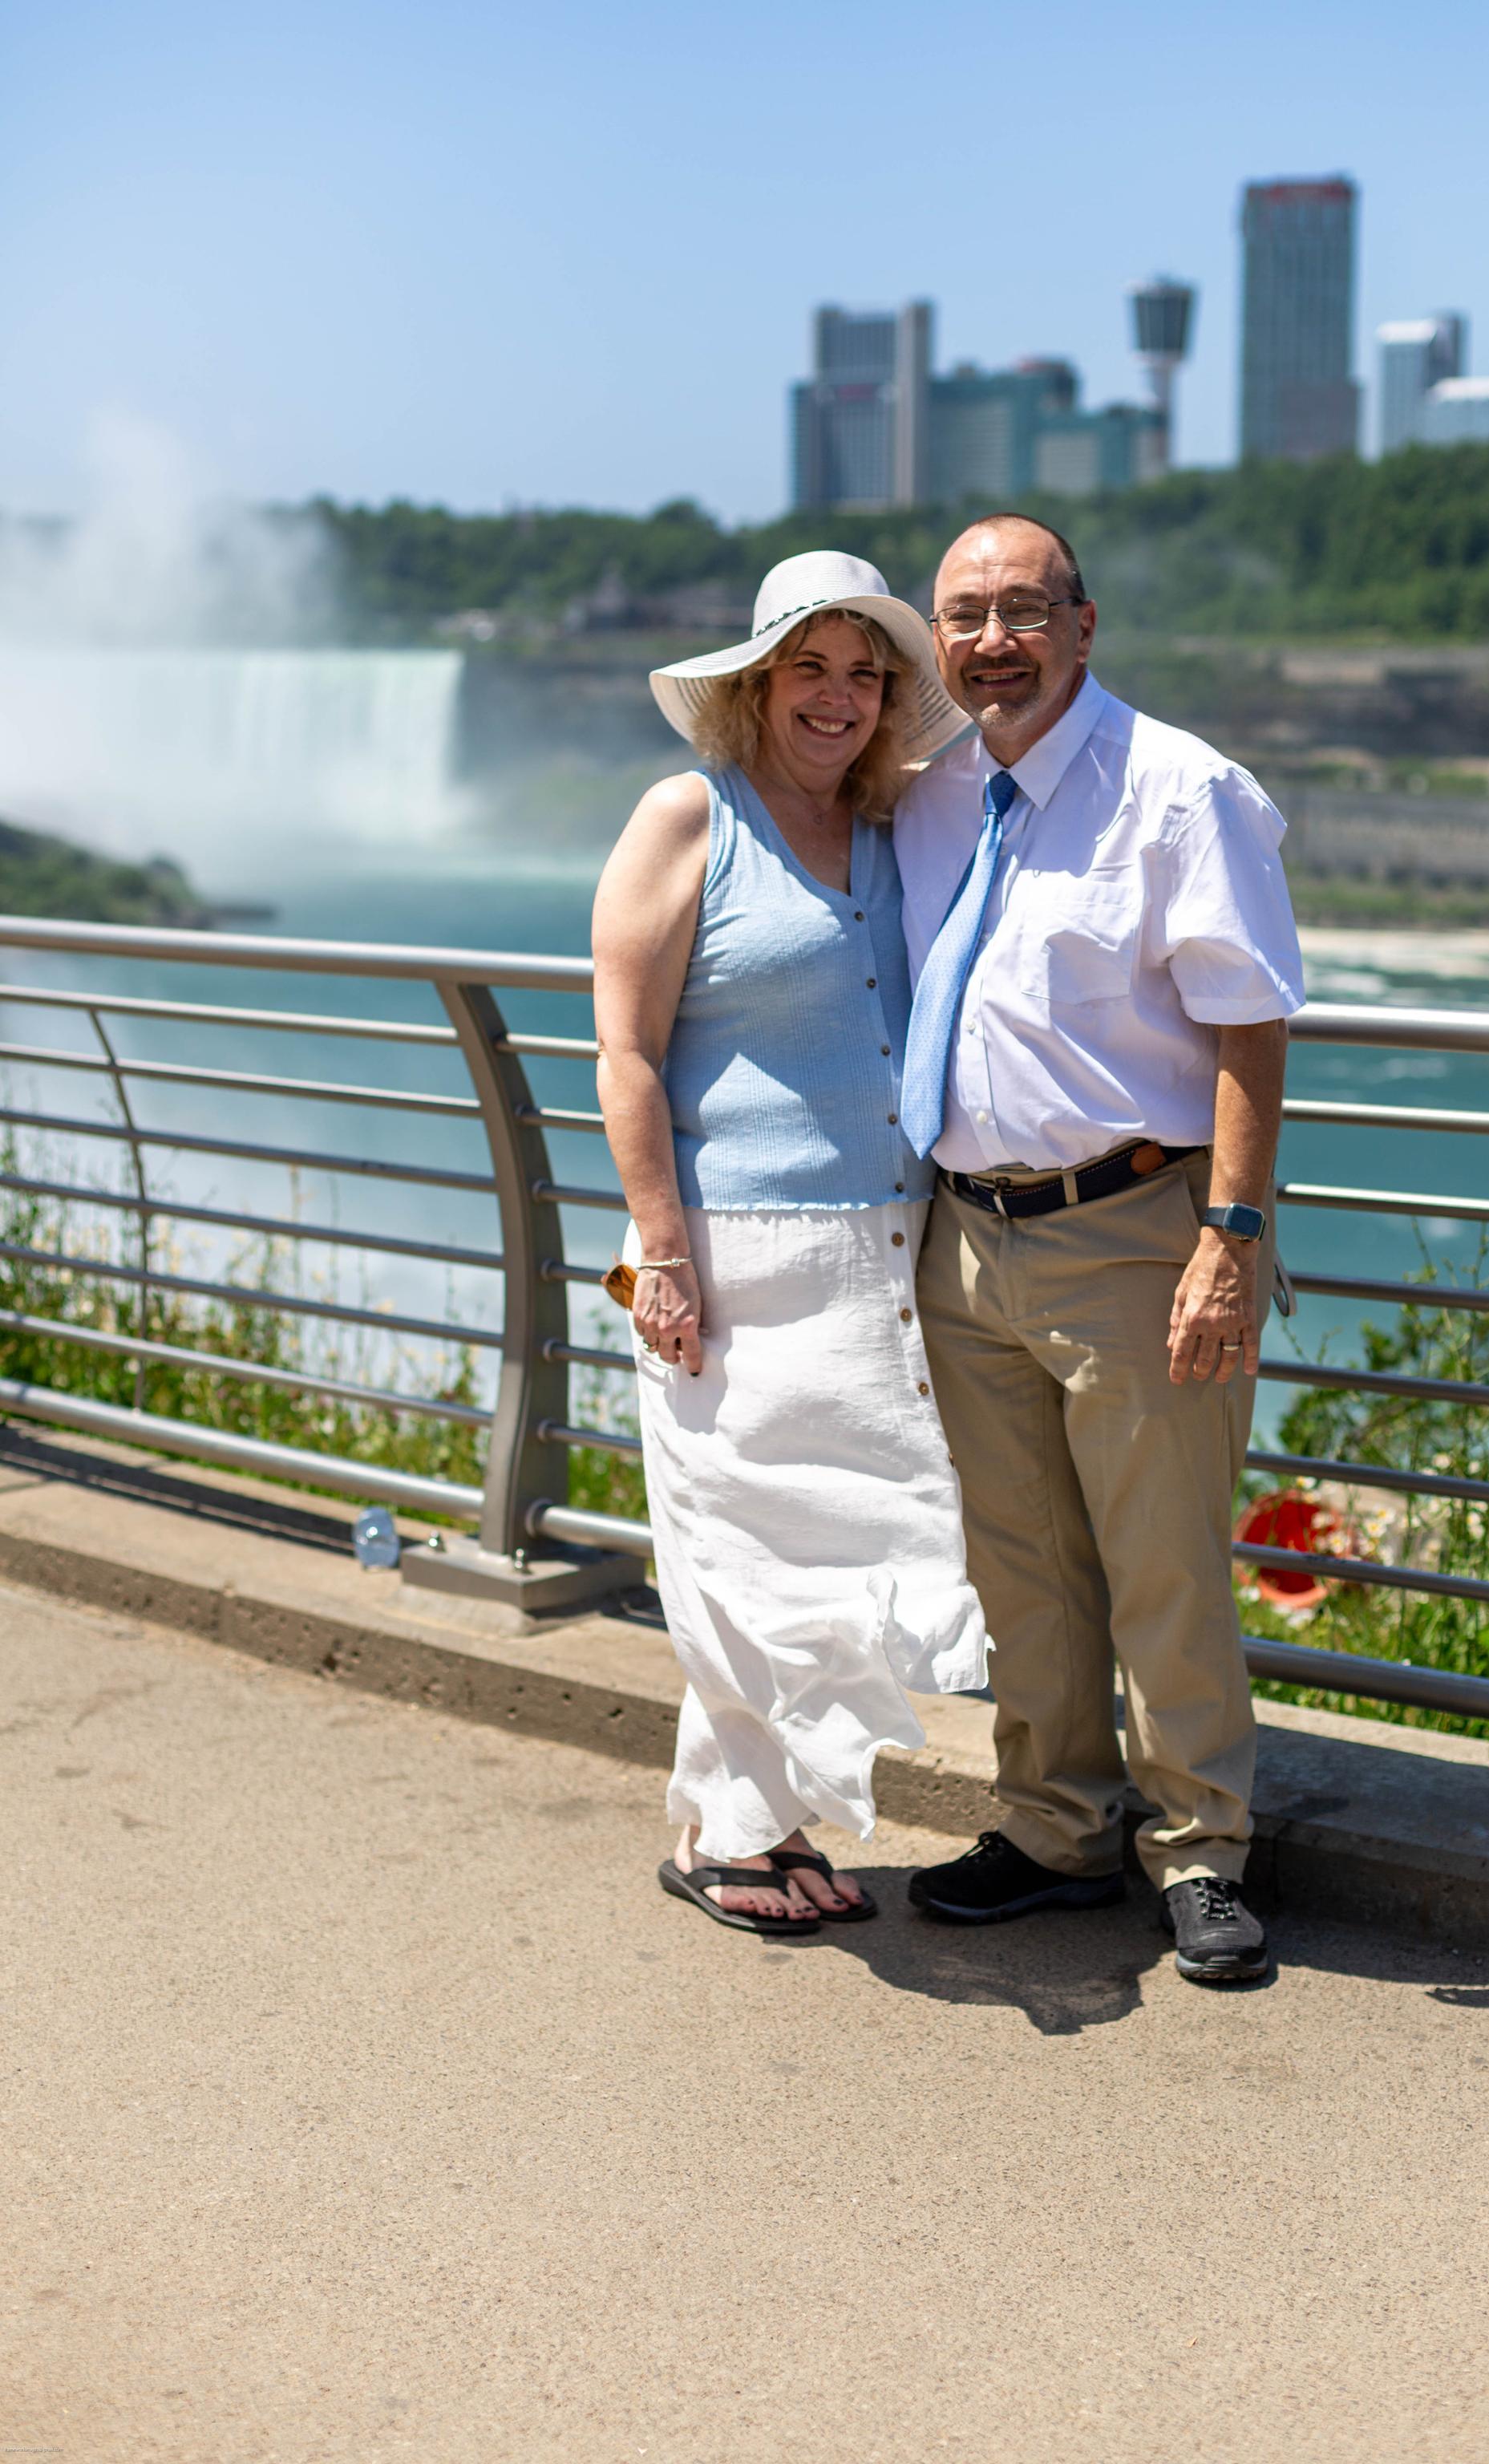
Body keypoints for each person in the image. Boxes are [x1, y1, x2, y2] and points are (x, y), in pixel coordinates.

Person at [894, 513, 1304, 1984]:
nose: (990, 640)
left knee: (1164, 1559)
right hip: (968, 1232)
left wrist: (1229, 1239)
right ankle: (1058, 1829)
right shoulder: (933, 789)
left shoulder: (1180, 791)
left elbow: (1251, 1023)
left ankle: (1200, 1848)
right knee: (1024, 1563)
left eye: (1020, 609)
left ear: (1084, 624)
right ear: (934, 643)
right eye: (962, 616)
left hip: (1136, 1224)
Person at [592, 550, 988, 1937]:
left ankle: (750, 1821)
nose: (838, 697)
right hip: (729, 1252)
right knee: (735, 1554)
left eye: (864, 674)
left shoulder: (890, 829)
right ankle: (737, 1833)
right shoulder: (688, 816)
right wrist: (663, 1252)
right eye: (810, 669)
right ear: (761, 682)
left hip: (885, 1256)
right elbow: (627, 1056)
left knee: (842, 1556)